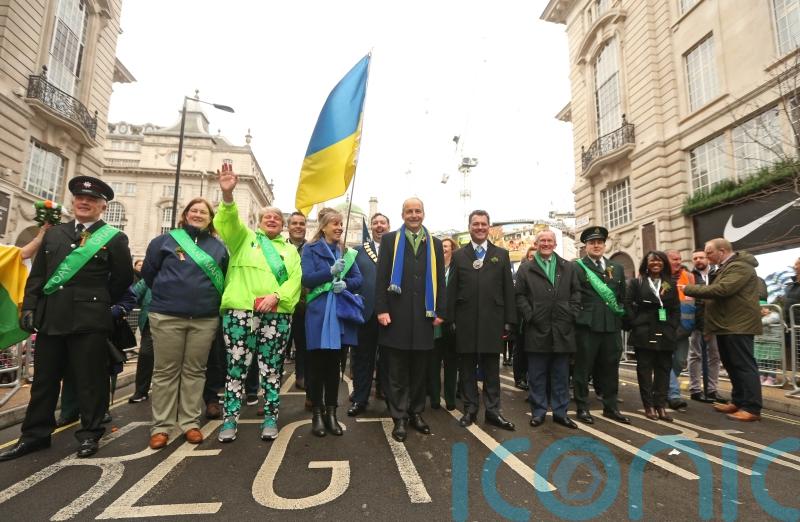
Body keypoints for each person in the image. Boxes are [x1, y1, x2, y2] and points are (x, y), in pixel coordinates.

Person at [0, 176, 133, 461]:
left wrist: (94, 301)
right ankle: (34, 435)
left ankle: (89, 433)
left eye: (92, 200)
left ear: (102, 206)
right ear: (73, 202)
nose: (84, 203)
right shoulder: (54, 233)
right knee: (44, 381)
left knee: (90, 380)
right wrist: (29, 308)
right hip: (52, 318)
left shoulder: (115, 238)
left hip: (90, 320)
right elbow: (38, 276)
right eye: (80, 199)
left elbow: (121, 280)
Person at [214, 164, 301, 442]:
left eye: (277, 217)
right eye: (268, 217)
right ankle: (229, 419)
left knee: (272, 369)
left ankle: (270, 418)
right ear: (260, 222)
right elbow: (227, 223)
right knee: (236, 366)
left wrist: (277, 297)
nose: (272, 220)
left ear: (283, 224)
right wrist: (228, 195)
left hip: (277, 316)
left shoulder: (290, 251)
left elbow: (295, 280)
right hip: (240, 313)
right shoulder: (244, 239)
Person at [143, 197, 229, 449]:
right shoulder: (164, 242)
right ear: (185, 214)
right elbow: (149, 274)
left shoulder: (218, 247)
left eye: (204, 212)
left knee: (195, 371)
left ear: (210, 218)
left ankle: (190, 422)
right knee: (165, 372)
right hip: (167, 316)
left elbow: (223, 278)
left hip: (204, 318)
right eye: (194, 210)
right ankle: (161, 427)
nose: (198, 214)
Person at [375, 197, 445, 443]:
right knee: (397, 371)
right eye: (409, 211)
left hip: (425, 317)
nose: (413, 215)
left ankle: (416, 412)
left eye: (417, 211)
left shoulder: (434, 243)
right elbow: (382, 277)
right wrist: (381, 309)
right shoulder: (390, 240)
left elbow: (440, 280)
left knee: (419, 371)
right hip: (395, 316)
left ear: (423, 214)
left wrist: (440, 311)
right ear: (402, 214)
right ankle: (400, 417)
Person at [448, 210, 516, 430]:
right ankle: (470, 409)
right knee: (467, 368)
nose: (479, 228)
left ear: (489, 227)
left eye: (483, 224)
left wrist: (508, 321)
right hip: (465, 320)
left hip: (492, 321)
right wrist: (450, 319)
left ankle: (493, 411)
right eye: (475, 224)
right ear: (469, 227)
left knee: (491, 370)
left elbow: (508, 290)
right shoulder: (459, 256)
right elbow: (452, 290)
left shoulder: (501, 254)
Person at [684, 238, 763, 422]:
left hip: (738, 325)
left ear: (722, 251)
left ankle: (752, 408)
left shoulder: (741, 266)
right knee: (731, 365)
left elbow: (722, 290)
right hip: (726, 325)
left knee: (743, 366)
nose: (707, 256)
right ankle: (738, 401)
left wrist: (688, 289)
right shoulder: (724, 267)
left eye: (709, 252)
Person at [302, 208, 363, 436]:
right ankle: (317, 415)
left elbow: (358, 279)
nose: (339, 228)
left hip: (339, 315)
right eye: (335, 224)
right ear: (324, 227)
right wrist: (329, 272)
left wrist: (345, 284)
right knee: (318, 367)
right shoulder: (310, 249)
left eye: (341, 224)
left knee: (335, 368)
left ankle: (331, 413)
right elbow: (307, 278)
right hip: (318, 314)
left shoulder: (345, 252)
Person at [515, 230, 580, 429]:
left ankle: (561, 413)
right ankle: (539, 412)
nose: (546, 243)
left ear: (554, 244)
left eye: (549, 240)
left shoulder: (568, 267)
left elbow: (576, 292)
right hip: (537, 328)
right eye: (542, 240)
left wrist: (571, 313)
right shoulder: (525, 268)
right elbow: (519, 295)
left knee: (561, 375)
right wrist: (530, 315)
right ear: (536, 243)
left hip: (562, 328)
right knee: (537, 375)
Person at [573, 226, 631, 425]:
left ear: (604, 245)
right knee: (583, 368)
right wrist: (579, 318)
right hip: (587, 326)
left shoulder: (617, 268)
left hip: (611, 326)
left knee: (610, 368)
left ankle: (611, 407)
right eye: (592, 242)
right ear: (586, 246)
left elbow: (622, 297)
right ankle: (582, 407)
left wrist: (622, 317)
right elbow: (573, 297)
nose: (596, 245)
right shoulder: (577, 267)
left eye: (599, 242)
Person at [625, 251, 680, 422]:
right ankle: (648, 406)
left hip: (665, 331)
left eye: (659, 260)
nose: (656, 263)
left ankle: (661, 406)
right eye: (652, 261)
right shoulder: (637, 282)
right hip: (644, 331)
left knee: (664, 369)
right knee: (645, 370)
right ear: (646, 264)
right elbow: (627, 304)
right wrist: (636, 322)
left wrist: (672, 327)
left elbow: (675, 309)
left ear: (664, 263)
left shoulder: (670, 283)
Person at [348, 212, 391, 416]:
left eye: (383, 222)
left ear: (388, 226)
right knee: (363, 359)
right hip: (365, 312)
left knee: (390, 359)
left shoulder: (397, 250)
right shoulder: (358, 251)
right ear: (371, 227)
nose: (379, 226)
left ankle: (392, 398)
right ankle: (360, 399)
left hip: (391, 314)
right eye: (375, 223)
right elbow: (352, 278)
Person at [427, 237, 459, 411]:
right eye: (441, 247)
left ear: (452, 249)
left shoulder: (457, 269)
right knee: (433, 362)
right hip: (433, 323)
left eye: (446, 246)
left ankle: (450, 398)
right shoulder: (431, 268)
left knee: (451, 363)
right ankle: (434, 398)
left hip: (450, 324)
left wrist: (447, 316)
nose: (443, 249)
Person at [687, 249, 722, 403]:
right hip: (696, 321)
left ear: (707, 259)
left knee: (714, 356)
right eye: (695, 258)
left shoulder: (717, 275)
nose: (698, 260)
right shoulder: (690, 277)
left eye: (701, 257)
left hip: (715, 322)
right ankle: (695, 390)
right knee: (695, 355)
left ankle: (712, 390)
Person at [665, 250, 693, 412]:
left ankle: (663, 385)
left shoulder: (688, 277)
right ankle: (674, 395)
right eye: (674, 259)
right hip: (667, 328)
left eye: (680, 259)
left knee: (681, 361)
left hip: (685, 329)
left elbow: (696, 300)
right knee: (667, 361)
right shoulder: (660, 278)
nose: (678, 261)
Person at [286, 212, 309, 389]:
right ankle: (272, 389)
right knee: (276, 349)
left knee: (302, 344)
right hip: (280, 305)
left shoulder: (312, 248)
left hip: (303, 304)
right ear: (288, 226)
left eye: (302, 223)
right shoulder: (277, 247)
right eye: (294, 223)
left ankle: (302, 376)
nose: (298, 226)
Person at [127, 278, 153, 403]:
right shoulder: (149, 277)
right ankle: (141, 391)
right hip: (150, 322)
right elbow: (133, 294)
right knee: (146, 355)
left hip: (174, 319)